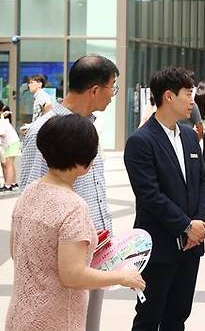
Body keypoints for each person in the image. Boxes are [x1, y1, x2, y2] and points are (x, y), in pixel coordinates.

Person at [6, 115, 145, 331]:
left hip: (22, 314)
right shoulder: (73, 207)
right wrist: (123, 277)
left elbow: (17, 250)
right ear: (85, 163)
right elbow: (73, 275)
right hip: (56, 319)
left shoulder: (29, 192)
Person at [20, 55, 119, 331]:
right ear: (95, 90)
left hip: (94, 253)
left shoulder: (88, 128)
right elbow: (30, 200)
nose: (114, 96)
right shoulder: (45, 130)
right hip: (62, 261)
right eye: (113, 87)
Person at [124, 67, 205, 331]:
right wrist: (185, 225)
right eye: (188, 94)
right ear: (169, 97)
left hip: (190, 246)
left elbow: (202, 181)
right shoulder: (141, 141)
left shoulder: (188, 135)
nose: (192, 101)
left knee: (179, 315)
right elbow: (149, 195)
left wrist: (198, 221)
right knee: (150, 316)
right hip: (159, 246)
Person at [0, 108, 20, 192]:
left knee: (8, 164)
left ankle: (8, 185)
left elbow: (1, 133)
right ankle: (13, 183)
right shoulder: (3, 120)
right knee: (7, 164)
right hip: (12, 143)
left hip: (11, 144)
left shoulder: (2, 121)